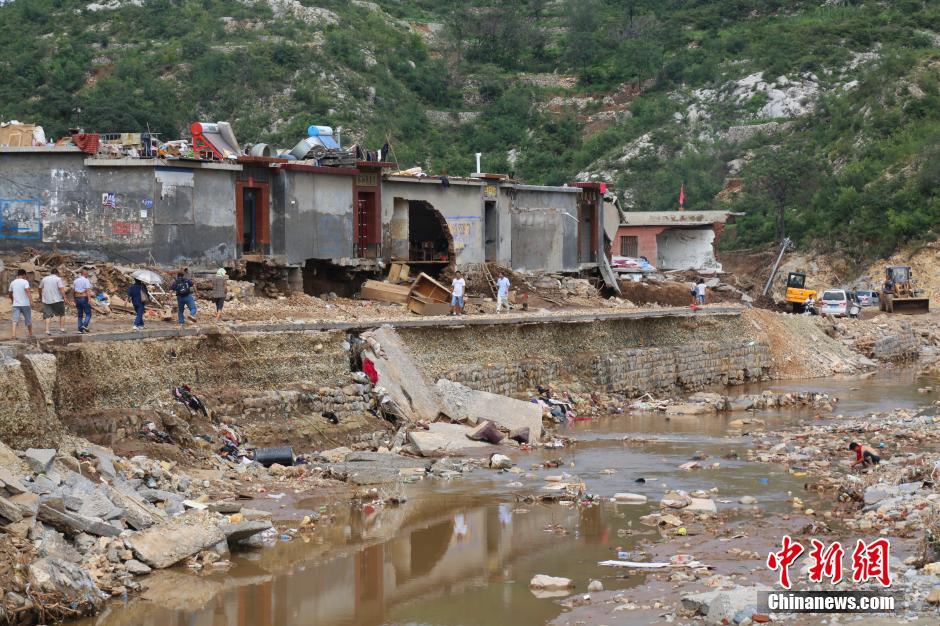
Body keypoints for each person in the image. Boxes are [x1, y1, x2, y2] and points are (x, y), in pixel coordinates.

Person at [38, 268, 66, 335]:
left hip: (46, 300)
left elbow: (39, 288)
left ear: (51, 273)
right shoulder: (58, 279)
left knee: (48, 316)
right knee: (62, 314)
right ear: (57, 273)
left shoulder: (44, 279)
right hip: (58, 299)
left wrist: (40, 296)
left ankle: (47, 330)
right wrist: (65, 297)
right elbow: (61, 289)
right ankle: (62, 329)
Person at [8, 269, 33, 340]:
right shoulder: (25, 281)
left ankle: (13, 335)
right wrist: (31, 301)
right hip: (25, 304)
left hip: (16, 304)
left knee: (15, 320)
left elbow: (9, 293)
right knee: (28, 319)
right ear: (24, 275)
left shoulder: (13, 282)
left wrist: (13, 300)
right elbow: (28, 291)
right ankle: (30, 334)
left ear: (18, 274)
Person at [73, 269, 93, 333]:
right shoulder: (86, 280)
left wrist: (74, 299)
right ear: (85, 274)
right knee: (88, 313)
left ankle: (80, 329)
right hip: (84, 298)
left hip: (77, 298)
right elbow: (87, 290)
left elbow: (73, 291)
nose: (87, 275)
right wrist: (89, 299)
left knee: (80, 314)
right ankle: (84, 325)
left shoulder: (75, 280)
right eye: (87, 274)